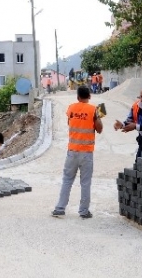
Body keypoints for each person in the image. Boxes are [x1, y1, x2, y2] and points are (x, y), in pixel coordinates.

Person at [52, 86, 103, 219]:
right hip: (86, 153)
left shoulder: (71, 108)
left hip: (72, 151)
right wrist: (98, 117)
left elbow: (70, 122)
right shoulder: (94, 110)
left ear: (77, 96)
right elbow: (99, 129)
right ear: (89, 96)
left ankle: (59, 208)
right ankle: (84, 211)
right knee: (85, 182)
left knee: (67, 180)